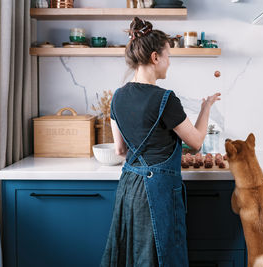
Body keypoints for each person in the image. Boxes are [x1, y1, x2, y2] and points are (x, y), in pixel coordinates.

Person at [100, 17, 221, 267]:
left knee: (130, 257)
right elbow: (197, 142)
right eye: (168, 57)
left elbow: (120, 150)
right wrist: (206, 107)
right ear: (155, 58)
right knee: (160, 258)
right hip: (157, 194)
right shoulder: (165, 99)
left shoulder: (117, 97)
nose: (169, 63)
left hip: (129, 189)